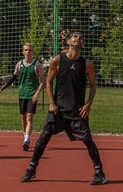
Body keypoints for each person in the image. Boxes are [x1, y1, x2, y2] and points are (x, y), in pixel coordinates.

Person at [20, 31, 107, 185]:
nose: (78, 38)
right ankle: (31, 168)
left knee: (88, 140)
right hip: (58, 109)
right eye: (75, 36)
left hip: (77, 111)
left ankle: (100, 173)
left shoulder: (87, 64)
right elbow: (48, 82)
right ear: (68, 41)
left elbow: (93, 86)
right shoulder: (57, 60)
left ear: (83, 44)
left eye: (81, 37)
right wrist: (52, 103)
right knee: (43, 137)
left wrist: (88, 104)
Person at [0, 43, 44, 151]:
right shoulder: (19, 64)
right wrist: (1, 89)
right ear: (23, 52)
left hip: (32, 94)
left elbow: (42, 82)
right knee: (23, 117)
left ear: (33, 52)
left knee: (29, 117)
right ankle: (25, 136)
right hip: (22, 94)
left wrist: (37, 93)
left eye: (30, 50)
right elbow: (13, 78)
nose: (28, 52)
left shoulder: (37, 65)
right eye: (26, 50)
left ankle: (27, 139)